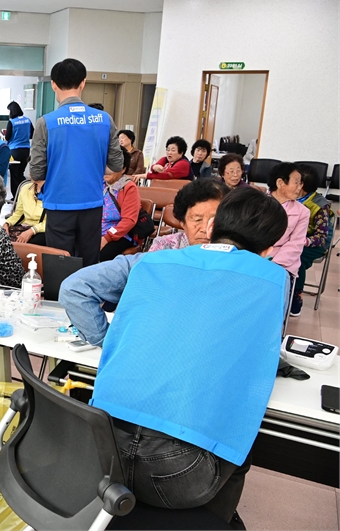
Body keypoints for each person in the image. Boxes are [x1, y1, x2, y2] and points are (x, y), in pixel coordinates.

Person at [60, 187, 289, 525]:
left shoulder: (151, 260)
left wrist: (114, 341)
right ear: (268, 250)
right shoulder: (275, 279)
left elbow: (74, 287)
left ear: (212, 227)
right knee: (241, 451)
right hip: (181, 474)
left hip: (102, 455)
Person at [29, 58, 124, 267]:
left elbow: (36, 171)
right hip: (92, 203)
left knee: (60, 264)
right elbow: (117, 164)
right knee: (89, 263)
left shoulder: (46, 122)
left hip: (59, 204)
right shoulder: (104, 119)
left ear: (53, 84)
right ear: (83, 82)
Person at [291, 164, 334, 316]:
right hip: (293, 238)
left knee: (297, 257)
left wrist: (302, 241)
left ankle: (296, 296)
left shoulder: (319, 205)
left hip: (314, 243)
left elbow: (321, 237)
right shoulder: (289, 196)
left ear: (301, 185)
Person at [149, 177, 229, 251]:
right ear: (182, 222)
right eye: (197, 220)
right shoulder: (165, 247)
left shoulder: (233, 251)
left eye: (214, 220)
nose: (205, 229)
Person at [267, 163, 309, 282]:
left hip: (282, 263)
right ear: (280, 183)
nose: (300, 187)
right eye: (296, 182)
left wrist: (275, 265)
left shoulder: (303, 212)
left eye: (300, 183)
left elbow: (296, 244)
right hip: (254, 257)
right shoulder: (256, 203)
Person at [100, 148, 140, 261]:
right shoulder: (99, 184)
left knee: (100, 255)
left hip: (119, 235)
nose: (106, 170)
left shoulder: (129, 188)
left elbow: (129, 220)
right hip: (95, 232)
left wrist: (106, 238)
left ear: (123, 169)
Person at [3, 179, 46, 245]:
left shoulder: (54, 193)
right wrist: (7, 223)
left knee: (34, 241)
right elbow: (18, 213)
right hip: (25, 226)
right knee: (1, 237)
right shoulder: (26, 188)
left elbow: (53, 222)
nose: (30, 174)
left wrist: (32, 230)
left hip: (42, 230)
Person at [5, 101, 34, 197]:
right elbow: (32, 134)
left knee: (14, 175)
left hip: (14, 151)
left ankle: (16, 197)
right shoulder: (28, 120)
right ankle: (24, 194)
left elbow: (7, 137)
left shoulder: (12, 122)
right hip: (26, 151)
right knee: (20, 173)